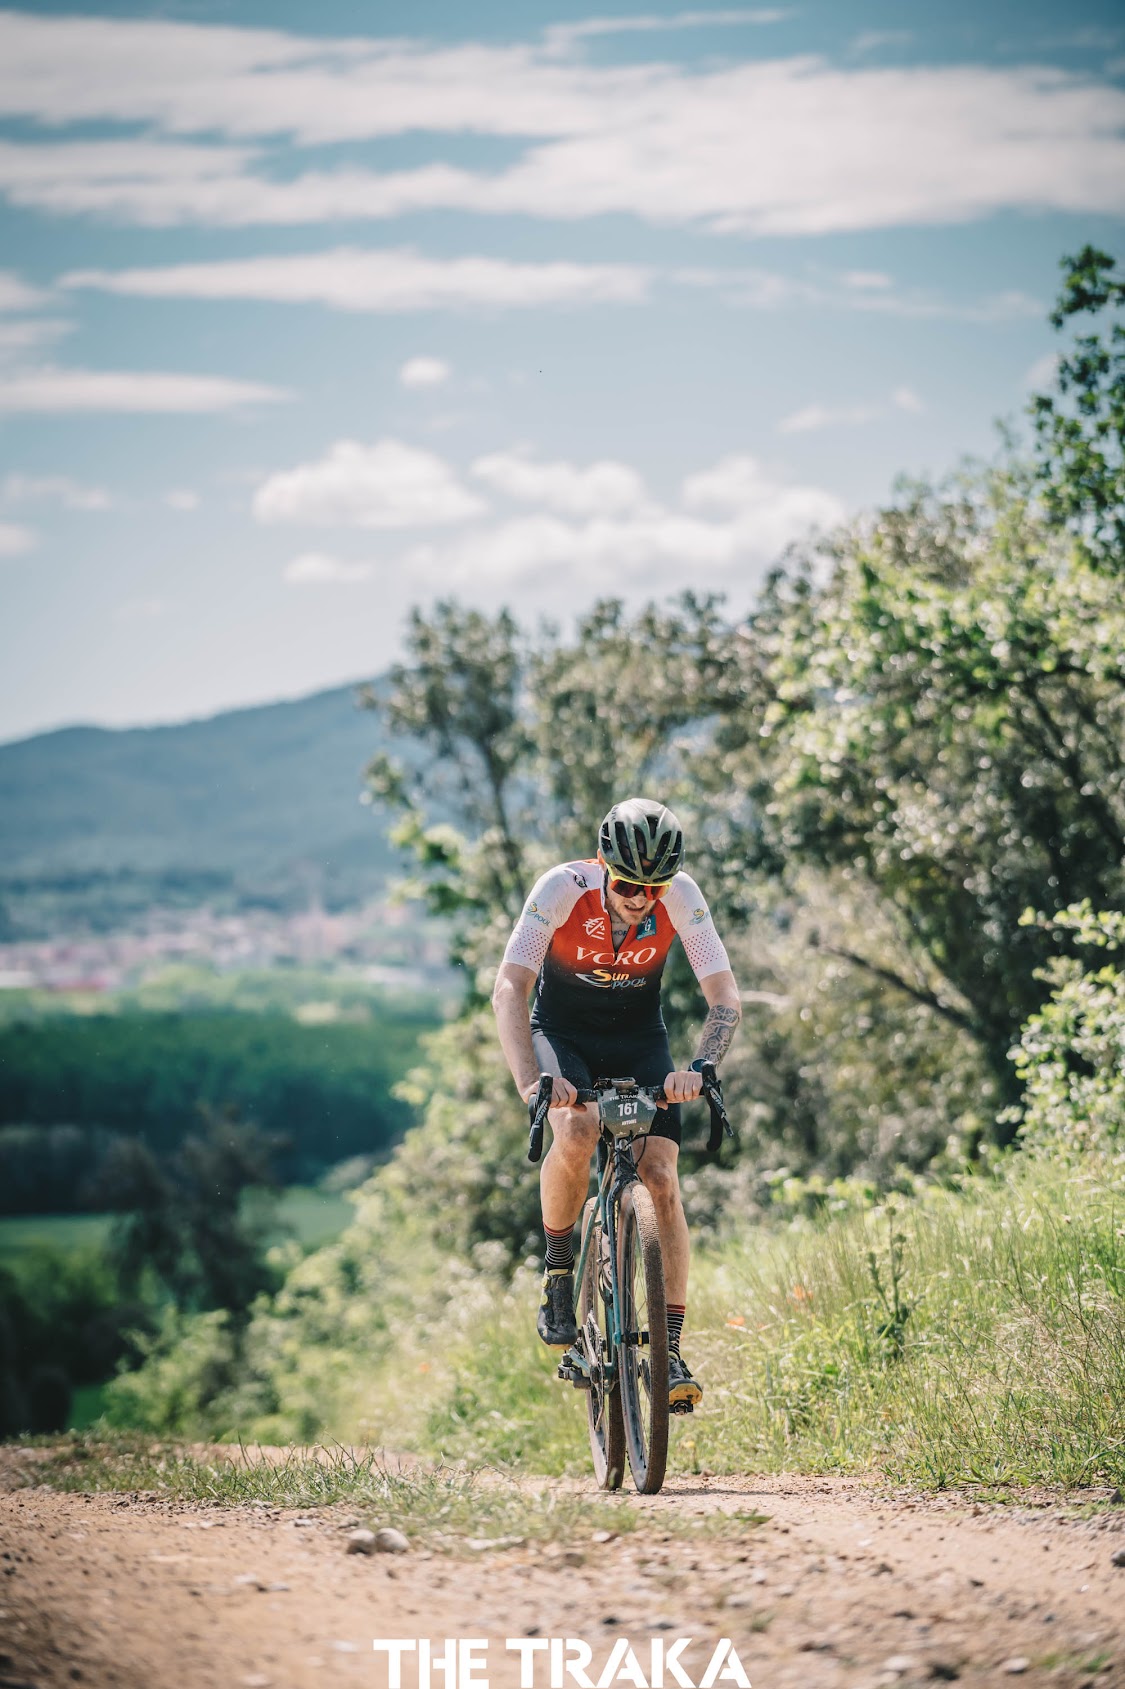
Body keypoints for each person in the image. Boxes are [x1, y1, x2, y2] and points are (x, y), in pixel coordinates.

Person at [492, 797, 741, 1407]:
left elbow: (724, 997)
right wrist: (531, 1082)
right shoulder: (560, 888)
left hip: (638, 1040)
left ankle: (669, 1351)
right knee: (576, 1133)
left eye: (652, 889)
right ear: (603, 865)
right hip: (563, 1038)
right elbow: (511, 987)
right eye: (627, 884)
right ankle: (558, 1269)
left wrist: (702, 1066)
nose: (639, 899)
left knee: (662, 1176)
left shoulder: (681, 896)